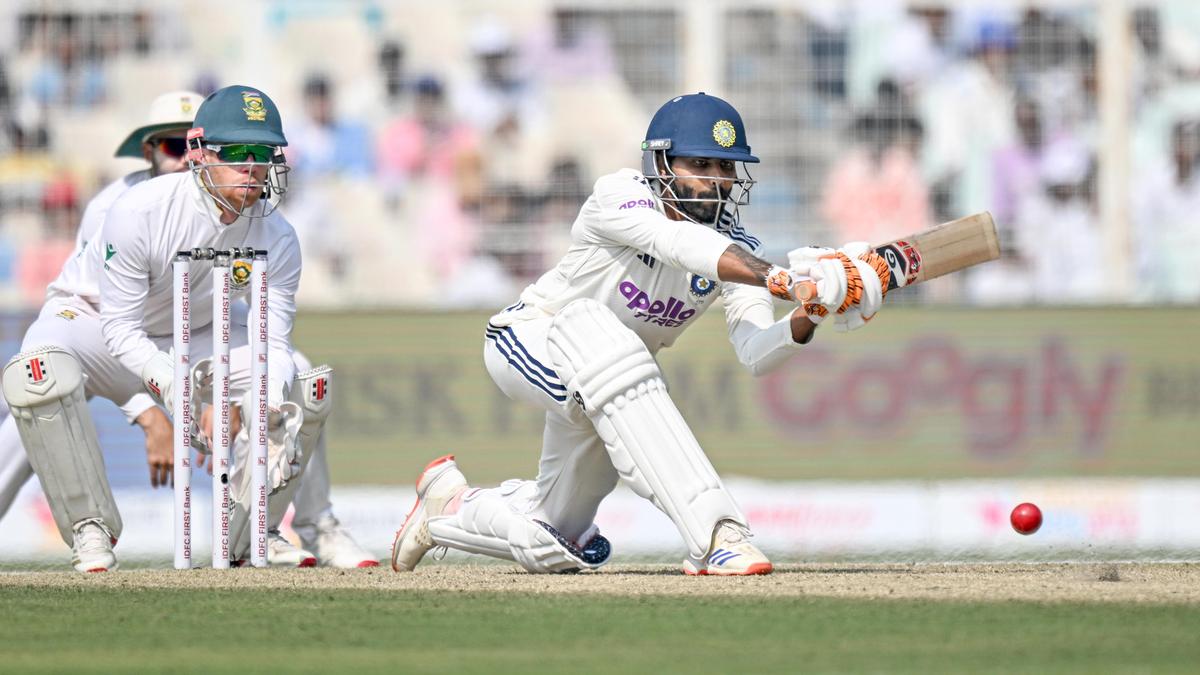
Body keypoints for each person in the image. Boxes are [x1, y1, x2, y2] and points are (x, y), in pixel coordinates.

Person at [390, 93, 890, 576]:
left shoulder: (739, 250)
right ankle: (717, 534)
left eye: (725, 168)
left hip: (610, 384)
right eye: (702, 165)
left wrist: (815, 309)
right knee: (609, 342)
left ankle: (447, 506)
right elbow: (676, 242)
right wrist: (786, 279)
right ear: (661, 165)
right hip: (530, 339)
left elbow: (757, 351)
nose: (716, 181)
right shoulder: (620, 195)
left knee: (552, 540)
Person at [0, 86, 361, 572]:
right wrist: (170, 393)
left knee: (299, 379)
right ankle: (90, 528)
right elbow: (120, 327)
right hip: (92, 326)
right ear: (198, 152)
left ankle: (254, 534)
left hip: (194, 332)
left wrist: (265, 408)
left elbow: (272, 343)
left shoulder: (279, 237)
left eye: (261, 152)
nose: (251, 167)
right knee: (37, 373)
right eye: (235, 152)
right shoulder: (134, 210)